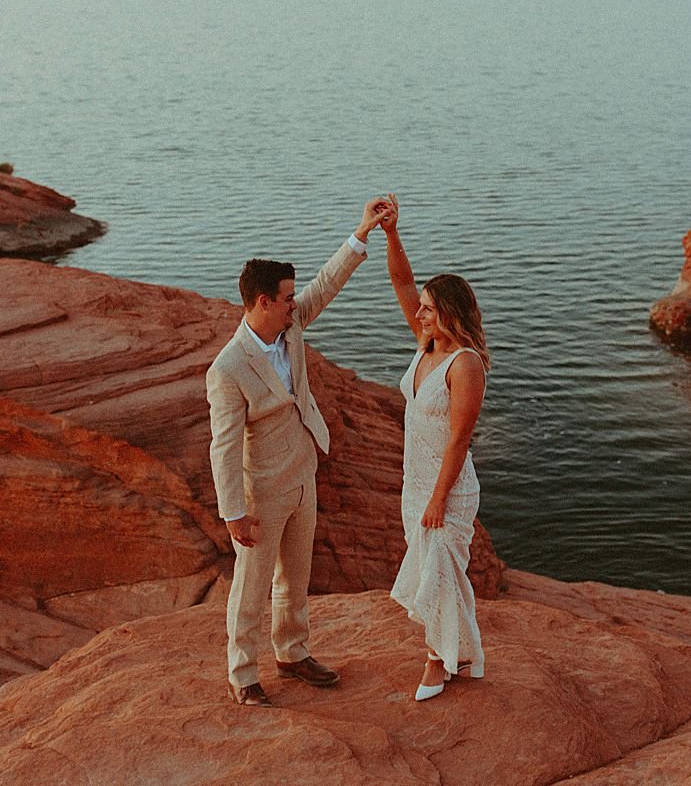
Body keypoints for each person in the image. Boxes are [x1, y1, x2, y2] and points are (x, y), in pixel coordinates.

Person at [207, 197, 391, 707]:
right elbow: (222, 445)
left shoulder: (291, 326)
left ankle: (292, 652)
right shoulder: (227, 369)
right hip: (261, 487)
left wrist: (362, 232)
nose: (295, 302)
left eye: (293, 298)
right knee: (252, 586)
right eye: (286, 297)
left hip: (303, 472)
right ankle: (242, 674)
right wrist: (233, 513)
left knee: (297, 576)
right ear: (262, 302)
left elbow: (326, 284)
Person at [379, 194, 490, 702]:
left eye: (427, 307)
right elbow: (402, 282)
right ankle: (461, 652)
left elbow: (460, 439)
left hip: (445, 488)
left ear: (447, 313)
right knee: (435, 571)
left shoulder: (464, 364)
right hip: (415, 483)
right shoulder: (427, 344)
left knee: (440, 571)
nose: (418, 312)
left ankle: (436, 661)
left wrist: (440, 499)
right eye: (420, 307)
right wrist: (391, 234)